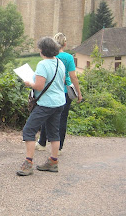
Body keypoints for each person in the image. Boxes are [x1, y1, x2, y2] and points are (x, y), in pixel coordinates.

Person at [17, 37, 66, 176]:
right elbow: (61, 82)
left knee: (28, 130)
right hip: (59, 102)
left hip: (46, 104)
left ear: (43, 50)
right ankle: (53, 162)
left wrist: (29, 83)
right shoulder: (59, 63)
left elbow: (39, 86)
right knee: (54, 132)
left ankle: (28, 163)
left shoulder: (43, 65)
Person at [36, 33, 83, 154]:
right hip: (64, 91)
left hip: (50, 90)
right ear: (65, 44)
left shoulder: (50, 56)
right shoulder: (68, 57)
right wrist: (78, 93)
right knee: (62, 119)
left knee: (46, 117)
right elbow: (73, 76)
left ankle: (42, 142)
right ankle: (59, 147)